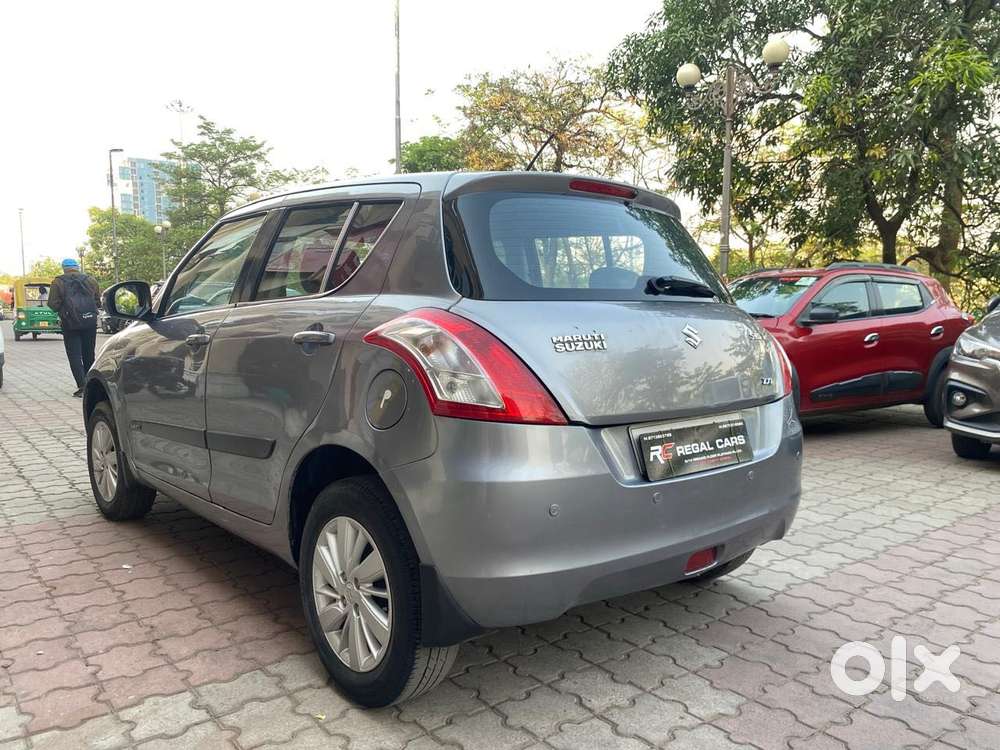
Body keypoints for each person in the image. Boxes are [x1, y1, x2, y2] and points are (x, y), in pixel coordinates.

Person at [47, 258, 101, 397]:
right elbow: (98, 301)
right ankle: (92, 386)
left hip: (70, 323)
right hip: (89, 321)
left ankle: (82, 387)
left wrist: (64, 310)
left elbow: (52, 304)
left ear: (64, 268)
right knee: (89, 353)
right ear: (77, 267)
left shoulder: (58, 282)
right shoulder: (90, 280)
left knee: (74, 355)